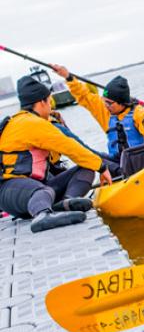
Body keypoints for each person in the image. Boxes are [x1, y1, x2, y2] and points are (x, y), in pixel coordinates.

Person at [0, 76, 113, 231]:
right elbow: (69, 146)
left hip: (37, 188)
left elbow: (65, 152)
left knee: (85, 167)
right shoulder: (30, 123)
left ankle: (66, 203)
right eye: (49, 101)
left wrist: (96, 165)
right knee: (42, 190)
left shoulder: (33, 121)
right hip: (11, 190)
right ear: (42, 102)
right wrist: (103, 167)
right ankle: (43, 215)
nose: (51, 107)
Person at [51, 65, 144, 176]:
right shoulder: (106, 112)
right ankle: (119, 173)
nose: (106, 106)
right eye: (104, 102)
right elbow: (85, 96)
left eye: (110, 103)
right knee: (91, 154)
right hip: (117, 163)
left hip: (141, 160)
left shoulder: (139, 113)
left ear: (122, 103)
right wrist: (68, 77)